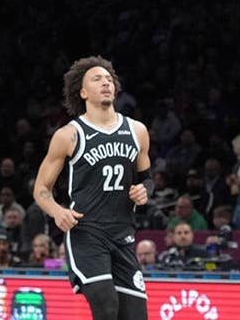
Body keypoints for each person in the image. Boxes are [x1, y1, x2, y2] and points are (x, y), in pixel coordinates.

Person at [32, 56, 152, 320]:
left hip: (123, 234)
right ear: (83, 92)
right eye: (97, 79)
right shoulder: (69, 135)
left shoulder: (137, 131)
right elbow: (41, 188)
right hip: (87, 232)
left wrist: (145, 191)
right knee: (107, 307)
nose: (106, 83)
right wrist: (56, 211)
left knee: (136, 316)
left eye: (109, 79)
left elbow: (147, 178)